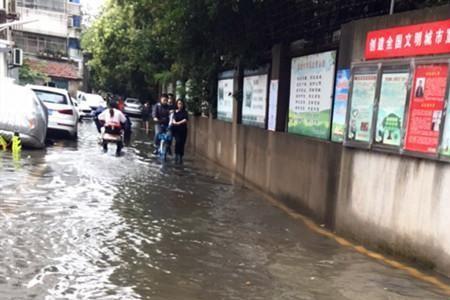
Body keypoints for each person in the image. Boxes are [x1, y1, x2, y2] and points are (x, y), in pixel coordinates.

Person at [171, 99, 189, 164]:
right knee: (177, 142)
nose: (180, 105)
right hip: (176, 130)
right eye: (178, 103)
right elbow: (172, 119)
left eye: (181, 103)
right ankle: (176, 155)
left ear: (183, 104)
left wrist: (179, 123)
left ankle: (181, 156)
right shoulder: (175, 112)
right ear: (177, 104)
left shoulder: (185, 112)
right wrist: (174, 122)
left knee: (182, 143)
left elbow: (185, 119)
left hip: (183, 130)